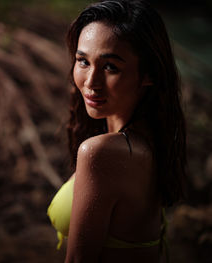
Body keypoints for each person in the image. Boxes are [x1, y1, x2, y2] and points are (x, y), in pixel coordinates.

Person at [47, 0, 186, 262]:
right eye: (83, 61)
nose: (91, 82)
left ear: (149, 74)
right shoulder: (157, 139)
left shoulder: (102, 152)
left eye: (110, 67)